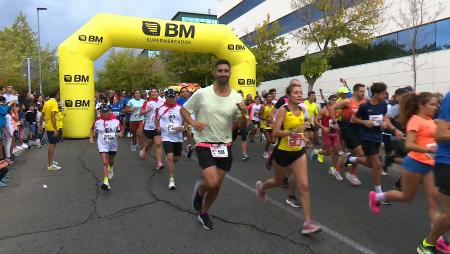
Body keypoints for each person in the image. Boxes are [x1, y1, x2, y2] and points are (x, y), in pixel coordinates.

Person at [180, 59, 247, 230]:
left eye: (226, 71)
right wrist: (193, 123)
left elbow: (241, 126)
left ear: (230, 73)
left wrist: (245, 114)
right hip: (204, 143)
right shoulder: (203, 93)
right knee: (211, 182)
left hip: (225, 145)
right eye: (220, 71)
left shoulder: (236, 97)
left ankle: (204, 212)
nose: (223, 73)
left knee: (217, 185)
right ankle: (201, 190)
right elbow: (184, 110)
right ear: (215, 73)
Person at [255, 82, 321, 235]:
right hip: (282, 152)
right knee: (278, 181)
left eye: (300, 92)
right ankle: (262, 187)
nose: (299, 95)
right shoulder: (283, 111)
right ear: (289, 96)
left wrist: (305, 138)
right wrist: (293, 131)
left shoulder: (303, 110)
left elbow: (301, 131)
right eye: (296, 93)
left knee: (304, 186)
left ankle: (307, 223)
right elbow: (276, 133)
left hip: (298, 151)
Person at [351, 83, 402, 202]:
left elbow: (384, 118)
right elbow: (354, 119)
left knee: (370, 163)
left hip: (377, 137)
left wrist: (384, 123)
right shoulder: (364, 106)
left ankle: (352, 159)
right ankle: (378, 194)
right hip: (366, 137)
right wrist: (364, 122)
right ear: (375, 94)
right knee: (377, 165)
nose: (386, 95)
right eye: (383, 93)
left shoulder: (384, 105)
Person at [416, 92, 450, 254]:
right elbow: (441, 133)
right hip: (446, 161)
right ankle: (428, 244)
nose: (435, 107)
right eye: (432, 104)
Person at [329, 84, 366, 186]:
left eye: (364, 91)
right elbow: (332, 108)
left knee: (348, 152)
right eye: (361, 91)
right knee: (360, 152)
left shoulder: (364, 102)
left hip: (358, 128)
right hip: (347, 127)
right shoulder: (347, 101)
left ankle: (337, 170)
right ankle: (352, 173)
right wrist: (334, 122)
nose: (363, 93)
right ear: (354, 92)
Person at [155, 89, 185, 190]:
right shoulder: (161, 109)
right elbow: (156, 119)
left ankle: (170, 160)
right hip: (166, 136)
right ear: (166, 98)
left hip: (178, 137)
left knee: (176, 158)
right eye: (169, 97)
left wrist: (183, 127)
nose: (171, 99)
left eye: (173, 97)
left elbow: (187, 121)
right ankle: (171, 180)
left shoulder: (180, 108)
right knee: (171, 157)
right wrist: (158, 127)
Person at [89, 104, 124, 190]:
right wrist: (91, 137)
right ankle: (105, 181)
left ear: (110, 111)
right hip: (102, 144)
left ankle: (111, 168)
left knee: (110, 162)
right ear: (100, 112)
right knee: (105, 162)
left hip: (113, 144)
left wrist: (121, 133)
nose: (105, 114)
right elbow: (91, 129)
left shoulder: (116, 121)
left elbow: (122, 129)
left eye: (106, 112)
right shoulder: (98, 121)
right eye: (103, 112)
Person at [311, 94, 343, 181]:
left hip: (335, 134)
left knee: (336, 151)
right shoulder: (324, 110)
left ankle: (332, 169)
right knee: (328, 152)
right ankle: (317, 152)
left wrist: (338, 126)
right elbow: (316, 120)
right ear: (329, 100)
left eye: (336, 100)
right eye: (333, 100)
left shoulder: (337, 110)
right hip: (327, 134)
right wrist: (323, 128)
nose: (335, 101)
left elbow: (337, 121)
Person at [140, 88, 164, 171]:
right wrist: (148, 110)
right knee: (150, 142)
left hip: (158, 126)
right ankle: (145, 149)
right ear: (150, 94)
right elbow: (141, 113)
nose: (154, 93)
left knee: (158, 143)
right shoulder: (147, 102)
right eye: (152, 92)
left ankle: (159, 163)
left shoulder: (162, 102)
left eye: (155, 92)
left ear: (158, 93)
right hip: (148, 126)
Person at [40, 91, 62, 171]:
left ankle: (51, 161)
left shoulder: (46, 102)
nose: (59, 96)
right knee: (52, 145)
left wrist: (40, 125)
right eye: (58, 95)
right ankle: (50, 165)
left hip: (48, 126)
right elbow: (53, 115)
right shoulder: (54, 103)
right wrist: (55, 129)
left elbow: (42, 114)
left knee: (52, 144)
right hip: (52, 127)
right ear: (56, 95)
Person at [260, 93, 275, 159]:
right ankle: (265, 152)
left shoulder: (274, 106)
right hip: (264, 125)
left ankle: (264, 136)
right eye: (268, 97)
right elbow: (259, 116)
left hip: (271, 125)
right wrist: (266, 119)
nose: (270, 98)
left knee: (273, 141)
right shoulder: (263, 106)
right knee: (269, 140)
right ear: (265, 98)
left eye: (271, 97)